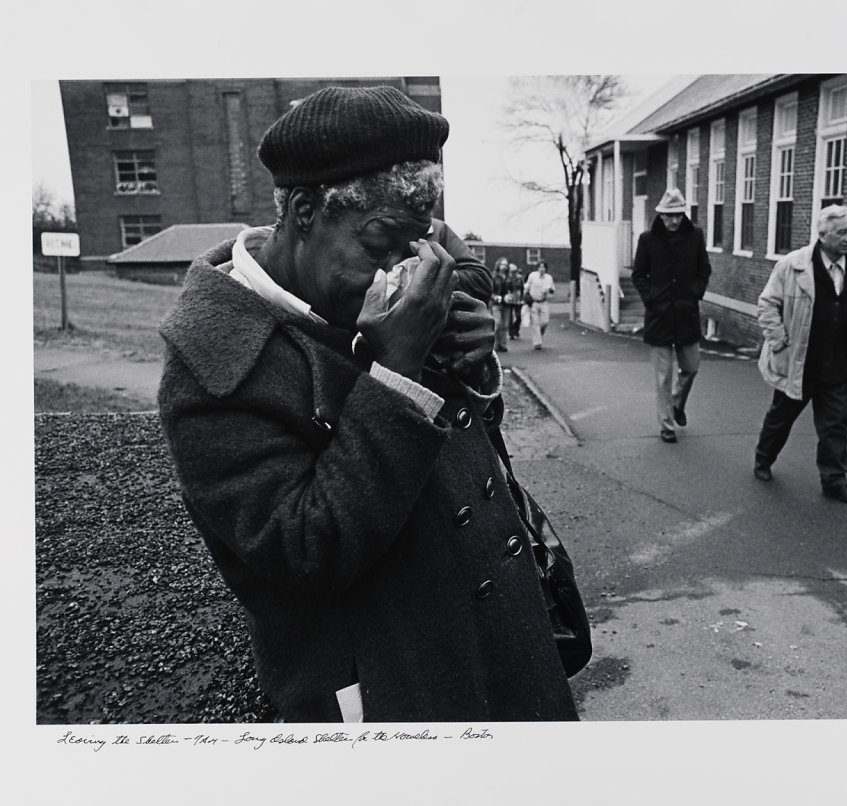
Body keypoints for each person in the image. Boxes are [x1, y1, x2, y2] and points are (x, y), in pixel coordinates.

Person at [157, 86, 580, 723]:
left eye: (415, 245)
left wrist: (475, 364)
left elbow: (468, 457)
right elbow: (303, 548)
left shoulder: (379, 291)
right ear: (303, 211)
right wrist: (397, 372)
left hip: (504, 644)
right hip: (400, 687)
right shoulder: (214, 362)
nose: (397, 271)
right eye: (381, 243)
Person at [753, 205, 847, 505]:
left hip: (838, 364)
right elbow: (767, 304)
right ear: (822, 235)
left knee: (836, 425)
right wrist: (779, 340)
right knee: (781, 418)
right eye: (842, 232)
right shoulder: (793, 265)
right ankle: (763, 459)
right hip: (799, 362)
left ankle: (834, 480)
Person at [631, 188, 711, 443]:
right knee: (663, 376)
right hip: (659, 318)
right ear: (661, 215)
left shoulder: (695, 237)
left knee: (691, 367)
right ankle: (666, 424)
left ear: (683, 214)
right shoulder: (647, 240)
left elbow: (704, 270)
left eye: (677, 215)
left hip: (686, 315)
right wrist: (651, 299)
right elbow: (638, 275)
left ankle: (676, 404)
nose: (673, 221)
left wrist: (694, 294)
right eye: (668, 216)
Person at [524, 260, 556, 349]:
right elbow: (527, 286)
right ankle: (537, 343)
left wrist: (549, 289)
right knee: (535, 323)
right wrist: (525, 297)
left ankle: (539, 336)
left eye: (543, 267)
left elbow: (553, 290)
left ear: (546, 269)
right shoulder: (532, 276)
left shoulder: (549, 278)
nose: (542, 269)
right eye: (540, 267)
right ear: (537, 268)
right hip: (534, 302)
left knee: (545, 322)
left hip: (544, 302)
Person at [490, 257, 511, 352]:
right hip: (496, 303)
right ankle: (495, 344)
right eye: (502, 264)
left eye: (506, 265)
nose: (504, 267)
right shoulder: (494, 276)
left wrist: (510, 295)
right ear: (498, 265)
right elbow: (489, 290)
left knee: (505, 325)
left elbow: (514, 290)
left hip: (507, 304)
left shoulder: (509, 277)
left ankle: (503, 345)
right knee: (497, 324)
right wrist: (495, 297)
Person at [507, 263, 524, 340]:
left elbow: (522, 289)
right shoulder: (507, 279)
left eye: (514, 271)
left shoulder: (519, 278)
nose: (513, 272)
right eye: (511, 271)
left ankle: (516, 329)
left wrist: (522, 298)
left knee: (519, 316)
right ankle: (511, 332)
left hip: (518, 299)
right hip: (510, 299)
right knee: (510, 317)